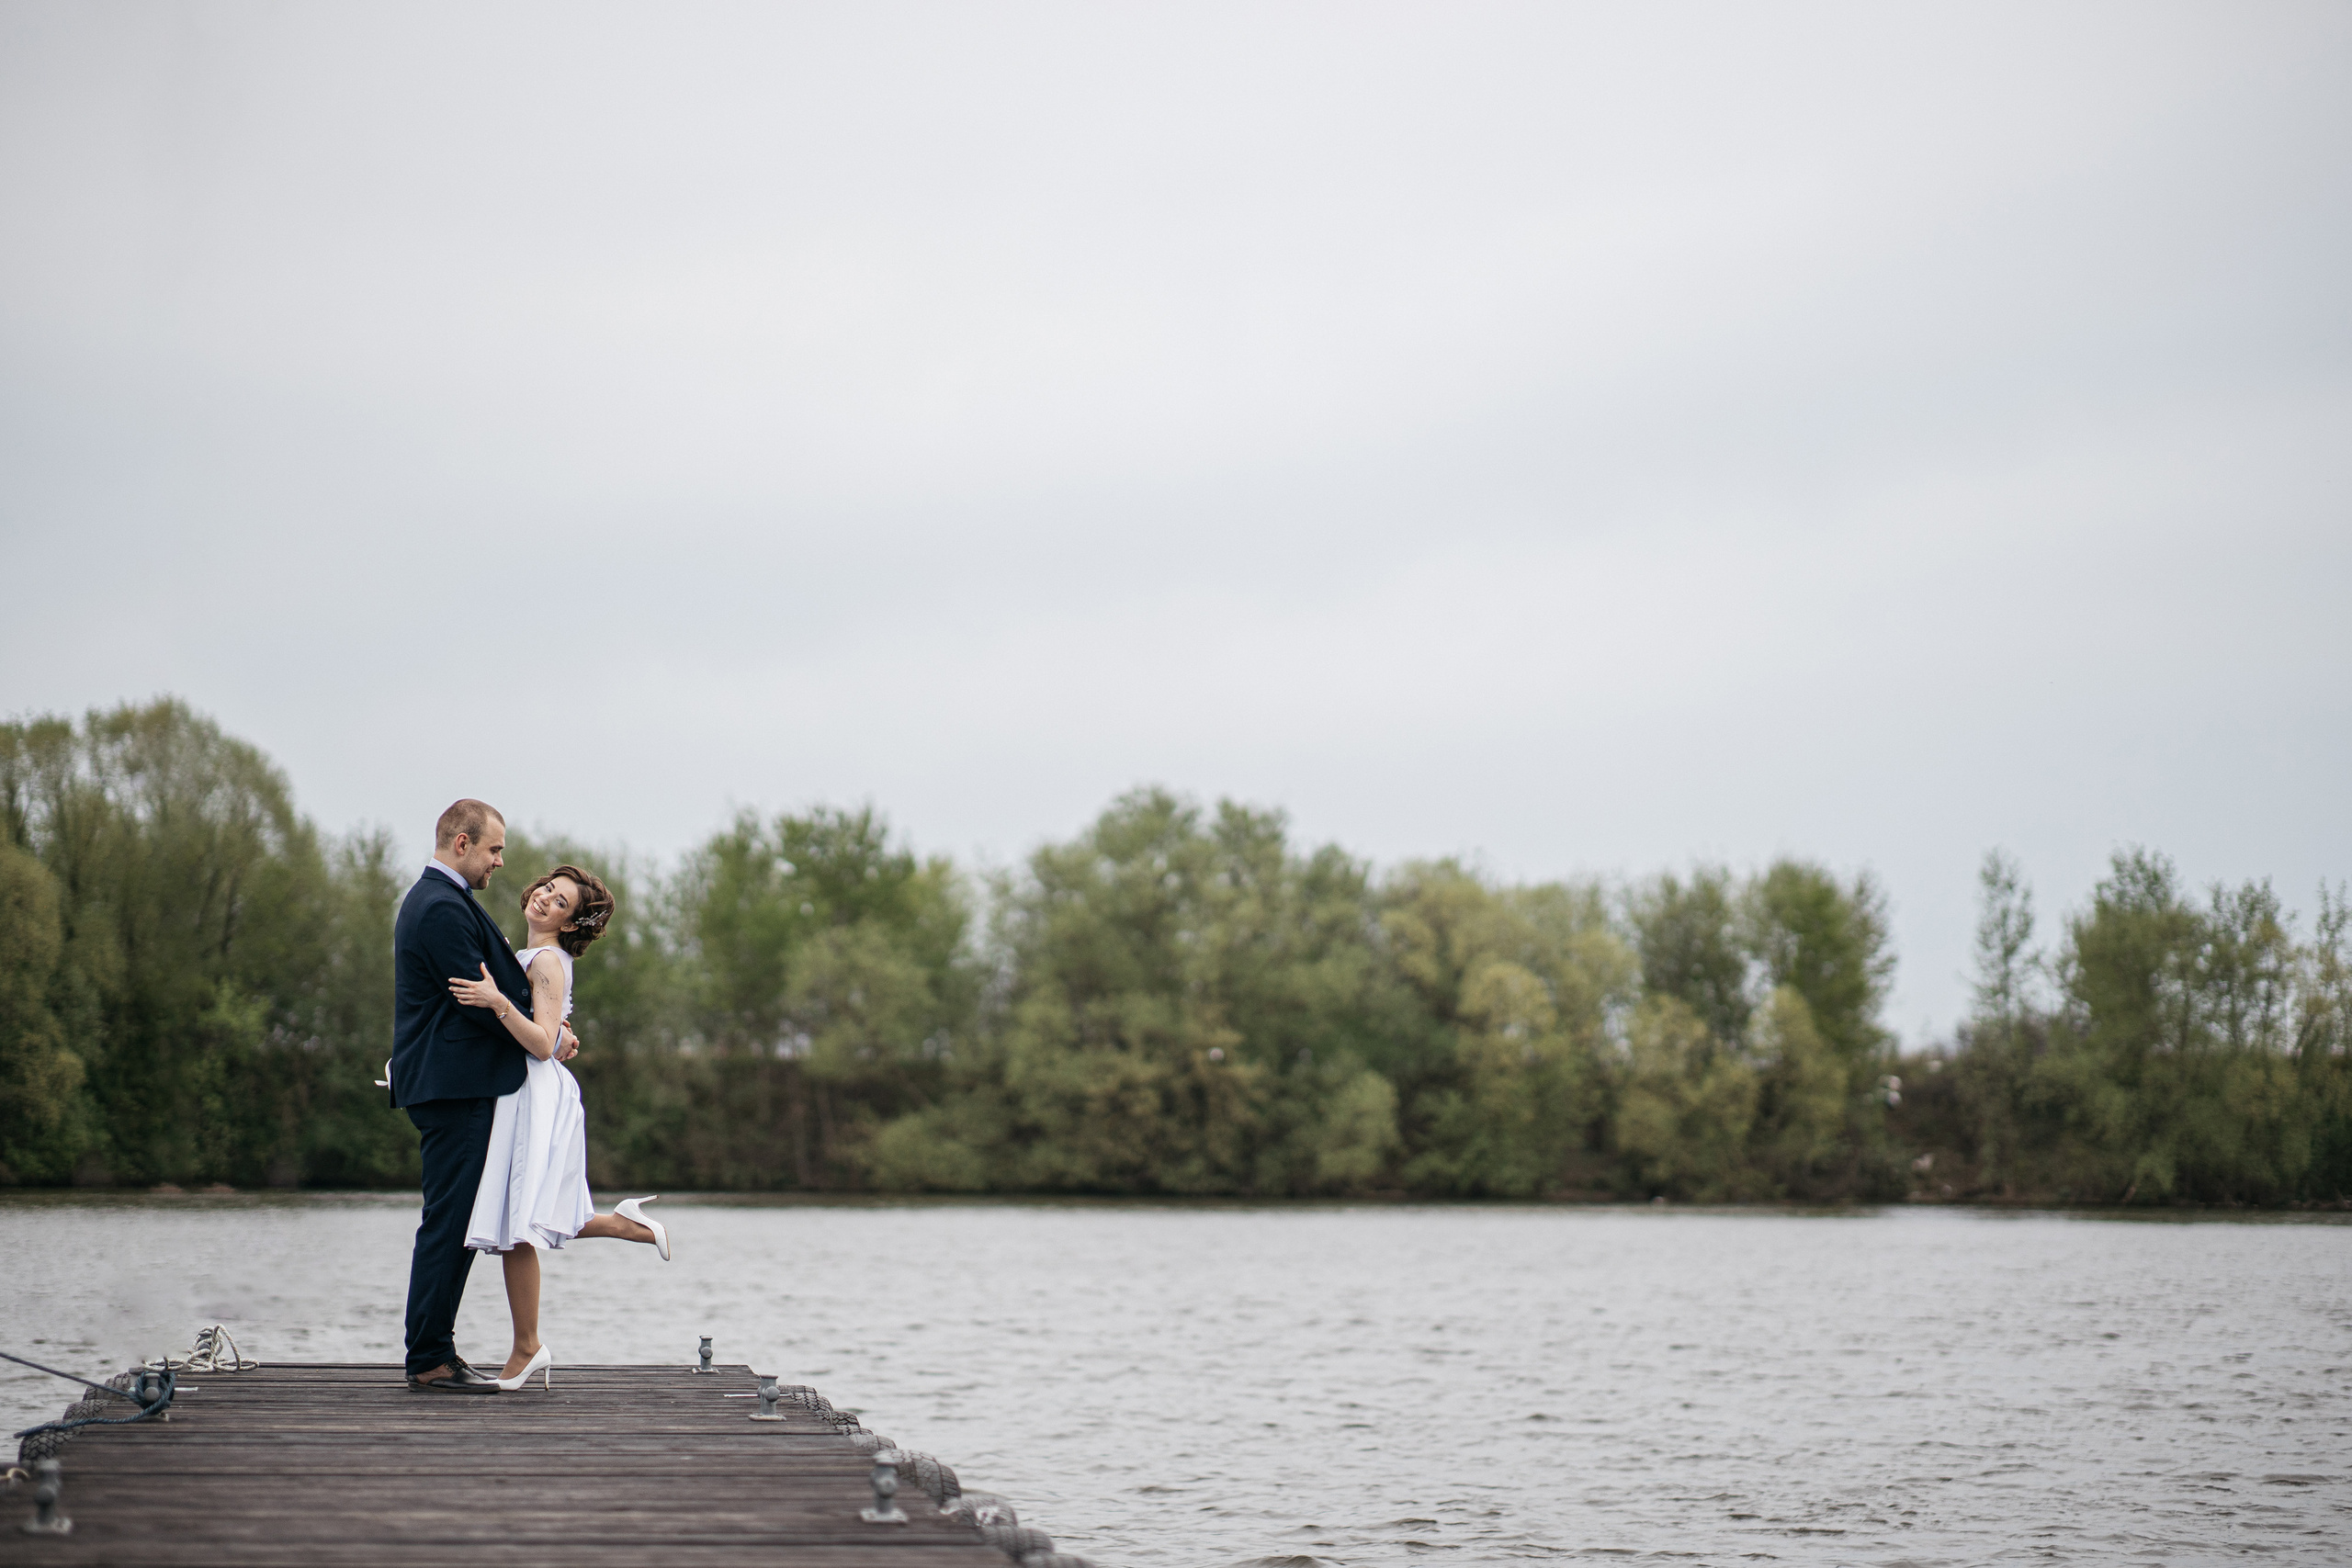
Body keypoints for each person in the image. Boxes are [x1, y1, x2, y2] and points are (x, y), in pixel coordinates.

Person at [449, 861, 671, 1392]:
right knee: (519, 1218)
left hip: (533, 1093)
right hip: (521, 1088)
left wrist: (497, 1001)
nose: (547, 898)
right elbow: (556, 1030)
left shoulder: (547, 959)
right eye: (548, 888)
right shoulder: (529, 953)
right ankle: (619, 1226)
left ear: (570, 924)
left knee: (518, 1222)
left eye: (562, 902)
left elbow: (545, 1043)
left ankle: (527, 1347)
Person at [388, 798, 545, 1393]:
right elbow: (478, 997)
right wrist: (541, 1027)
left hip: (455, 1084)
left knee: (454, 1221)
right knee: (449, 1222)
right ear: (461, 842)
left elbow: (494, 989)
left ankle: (435, 1349)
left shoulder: (445, 902)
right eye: (494, 848)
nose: (500, 861)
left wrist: (545, 1022)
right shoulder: (439, 908)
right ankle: (428, 1354)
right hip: (454, 1087)